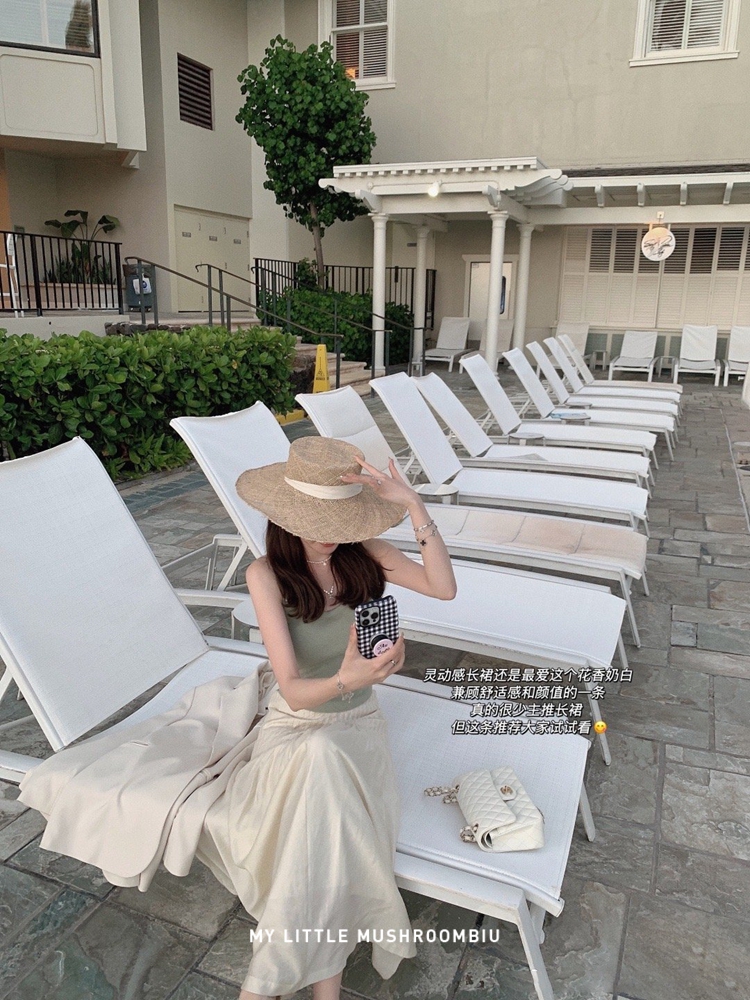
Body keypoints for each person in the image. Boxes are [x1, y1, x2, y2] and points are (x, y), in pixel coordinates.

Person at [193, 435, 457, 1000]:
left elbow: (443, 588)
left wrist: (414, 505)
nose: (329, 533)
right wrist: (349, 679)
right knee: (322, 782)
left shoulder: (367, 555)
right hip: (297, 727)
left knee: (319, 821)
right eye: (316, 520)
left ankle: (275, 978)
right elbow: (291, 690)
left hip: (359, 726)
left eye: (339, 519)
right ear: (287, 515)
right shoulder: (266, 575)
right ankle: (324, 989)